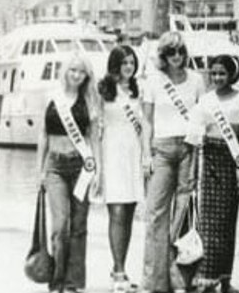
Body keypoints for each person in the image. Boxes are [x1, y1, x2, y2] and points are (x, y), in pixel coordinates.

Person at [142, 32, 207, 293]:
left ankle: (180, 279)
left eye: (180, 51)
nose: (177, 57)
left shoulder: (196, 80)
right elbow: (146, 120)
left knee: (183, 213)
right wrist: (146, 155)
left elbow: (202, 115)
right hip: (162, 148)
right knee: (156, 213)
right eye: (171, 53)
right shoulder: (154, 81)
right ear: (163, 56)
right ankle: (153, 280)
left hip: (188, 148)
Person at [187, 55, 239, 293]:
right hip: (209, 160)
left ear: (232, 74)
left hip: (232, 160)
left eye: (222, 73)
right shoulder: (205, 100)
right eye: (214, 73)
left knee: (227, 223)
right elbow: (195, 134)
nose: (218, 78)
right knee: (207, 224)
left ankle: (225, 278)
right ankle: (206, 278)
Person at [37, 53, 100, 293]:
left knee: (79, 226)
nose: (76, 75)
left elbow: (94, 137)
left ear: (86, 76)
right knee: (59, 226)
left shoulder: (90, 100)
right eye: (73, 70)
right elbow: (42, 135)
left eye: (81, 72)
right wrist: (39, 171)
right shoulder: (51, 97)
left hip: (81, 166)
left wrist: (98, 172)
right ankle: (57, 280)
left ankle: (74, 283)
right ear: (65, 71)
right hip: (55, 165)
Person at [96, 45, 144, 293]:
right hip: (112, 153)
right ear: (115, 64)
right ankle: (117, 270)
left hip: (133, 153)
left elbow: (145, 124)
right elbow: (96, 126)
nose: (129, 67)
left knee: (128, 213)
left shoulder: (138, 89)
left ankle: (123, 267)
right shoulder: (103, 89)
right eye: (124, 62)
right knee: (116, 212)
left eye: (132, 62)